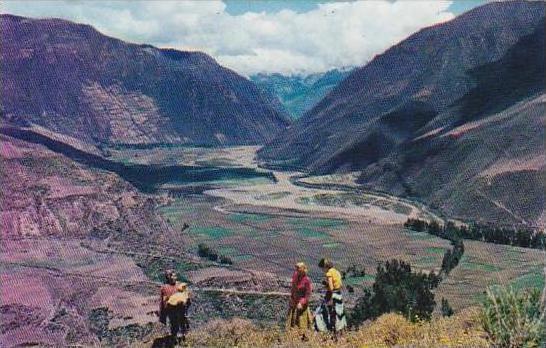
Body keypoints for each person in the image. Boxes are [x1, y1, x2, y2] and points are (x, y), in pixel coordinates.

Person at [314, 258, 347, 336]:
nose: (323, 270)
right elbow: (340, 285)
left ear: (325, 267)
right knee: (338, 314)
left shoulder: (329, 273)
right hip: (338, 295)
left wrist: (325, 285)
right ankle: (339, 331)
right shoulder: (337, 272)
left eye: (322, 268)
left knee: (323, 313)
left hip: (332, 295)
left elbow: (331, 288)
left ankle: (326, 331)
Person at [159, 270, 190, 345]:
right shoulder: (164, 288)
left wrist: (187, 302)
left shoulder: (180, 285)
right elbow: (163, 301)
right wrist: (163, 314)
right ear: (168, 277)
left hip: (182, 308)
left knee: (183, 323)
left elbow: (186, 295)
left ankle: (184, 338)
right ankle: (175, 341)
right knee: (174, 325)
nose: (175, 277)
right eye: (173, 276)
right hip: (171, 310)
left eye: (175, 276)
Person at [287, 262, 313, 338]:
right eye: (296, 268)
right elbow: (293, 288)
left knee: (302, 321)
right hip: (294, 301)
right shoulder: (295, 276)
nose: (297, 270)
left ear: (303, 269)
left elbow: (308, 294)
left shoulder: (307, 280)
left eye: (298, 268)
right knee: (292, 320)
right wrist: (291, 298)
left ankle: (303, 336)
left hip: (301, 304)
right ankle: (292, 336)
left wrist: (301, 303)